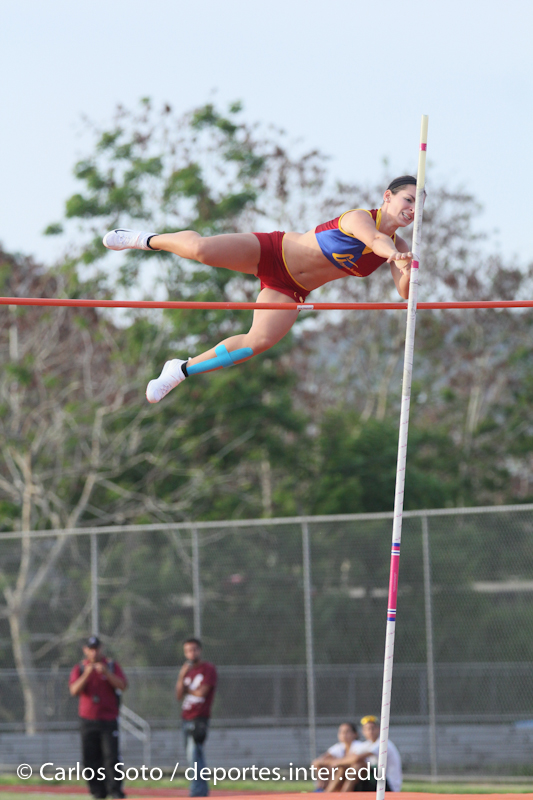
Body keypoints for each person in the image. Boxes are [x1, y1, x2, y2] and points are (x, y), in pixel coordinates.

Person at [103, 176, 420, 404]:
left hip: (291, 289)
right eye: (408, 199)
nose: (412, 209)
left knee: (256, 343)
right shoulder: (360, 218)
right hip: (273, 250)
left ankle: (180, 370)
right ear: (388, 196)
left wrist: (409, 268)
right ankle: (144, 239)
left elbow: (404, 293)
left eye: (418, 207)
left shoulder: (401, 245)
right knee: (200, 249)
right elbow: (375, 241)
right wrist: (392, 254)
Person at [68, 636, 128, 799]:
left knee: (111, 758)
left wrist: (107, 673)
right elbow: (74, 690)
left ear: (101, 649)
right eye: (91, 649)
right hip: (88, 720)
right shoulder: (80, 668)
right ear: (85, 650)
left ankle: (115, 790)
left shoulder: (111, 665)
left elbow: (122, 685)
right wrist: (87, 674)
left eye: (96, 649)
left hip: (108, 719)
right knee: (90, 758)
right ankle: (97, 791)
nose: (94, 652)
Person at [176, 637, 218, 797]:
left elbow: (202, 692)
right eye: (187, 650)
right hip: (185, 717)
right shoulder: (187, 671)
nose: (191, 653)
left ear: (199, 650)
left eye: (194, 650)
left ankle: (198, 791)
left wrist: (188, 690)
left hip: (199, 718)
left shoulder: (208, 669)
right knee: (192, 755)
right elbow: (179, 695)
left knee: (194, 753)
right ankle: (200, 789)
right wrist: (181, 677)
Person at [328, 715, 402, 792]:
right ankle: (329, 794)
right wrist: (339, 764)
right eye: (367, 729)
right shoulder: (367, 744)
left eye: (373, 728)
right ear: (363, 732)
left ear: (379, 729)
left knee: (358, 766)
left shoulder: (383, 743)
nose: (370, 731)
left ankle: (343, 795)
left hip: (388, 784)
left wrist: (336, 762)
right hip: (376, 780)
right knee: (344, 768)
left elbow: (356, 758)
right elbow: (352, 757)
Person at [312, 722, 366, 791]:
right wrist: (333, 763)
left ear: (355, 734)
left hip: (362, 773)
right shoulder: (339, 747)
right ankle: (323, 788)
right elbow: (318, 761)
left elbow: (355, 759)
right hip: (344, 773)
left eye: (346, 732)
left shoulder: (359, 745)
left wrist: (337, 762)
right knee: (337, 768)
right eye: (341, 732)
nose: (343, 734)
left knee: (349, 767)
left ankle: (335, 793)